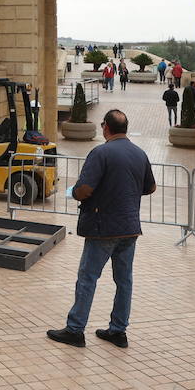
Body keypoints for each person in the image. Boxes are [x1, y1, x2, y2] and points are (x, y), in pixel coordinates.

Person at [46, 109, 157, 349]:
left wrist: (75, 193)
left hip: (103, 227)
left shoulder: (101, 153)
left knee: (87, 278)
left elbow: (85, 188)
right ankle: (118, 331)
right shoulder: (140, 153)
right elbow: (150, 187)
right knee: (124, 281)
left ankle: (75, 330)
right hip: (130, 227)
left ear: (106, 127)